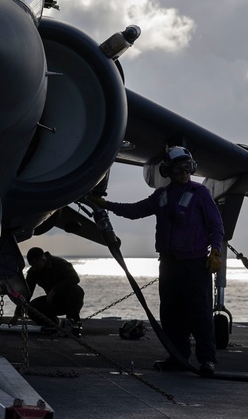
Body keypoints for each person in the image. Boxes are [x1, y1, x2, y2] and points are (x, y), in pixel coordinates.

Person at [90, 146, 224, 376]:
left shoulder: (200, 193)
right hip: (169, 265)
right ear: (167, 171)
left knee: (200, 314)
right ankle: (177, 358)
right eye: (178, 168)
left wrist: (216, 252)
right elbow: (136, 210)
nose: (184, 172)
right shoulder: (161, 195)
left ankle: (207, 361)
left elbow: (216, 225)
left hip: (195, 265)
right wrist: (107, 205)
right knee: (171, 315)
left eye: (187, 167)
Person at [23, 247, 85, 335]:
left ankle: (73, 323)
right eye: (32, 265)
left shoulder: (59, 263)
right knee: (31, 309)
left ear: (43, 259)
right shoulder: (33, 271)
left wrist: (54, 290)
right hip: (53, 302)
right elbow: (27, 293)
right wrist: (17, 313)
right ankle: (55, 324)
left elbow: (74, 278)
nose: (34, 268)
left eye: (36, 265)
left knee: (75, 290)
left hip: (70, 300)